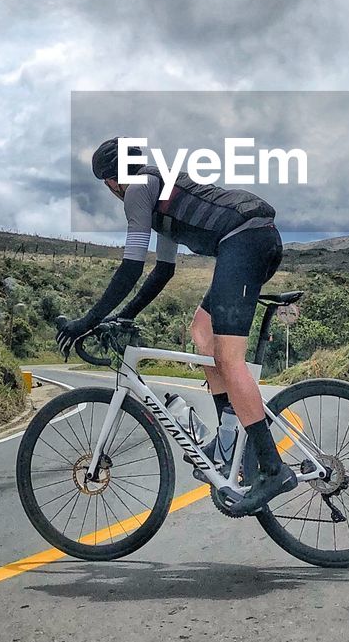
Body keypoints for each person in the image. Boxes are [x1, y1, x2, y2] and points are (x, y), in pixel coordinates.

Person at [56, 138, 297, 515]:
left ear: (110, 180)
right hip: (249, 238)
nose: (110, 192)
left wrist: (87, 320)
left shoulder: (138, 189)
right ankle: (229, 440)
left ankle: (272, 468)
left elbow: (131, 265)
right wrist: (127, 314)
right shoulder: (159, 192)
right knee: (201, 333)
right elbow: (162, 271)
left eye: (106, 186)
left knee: (228, 357)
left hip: (247, 239)